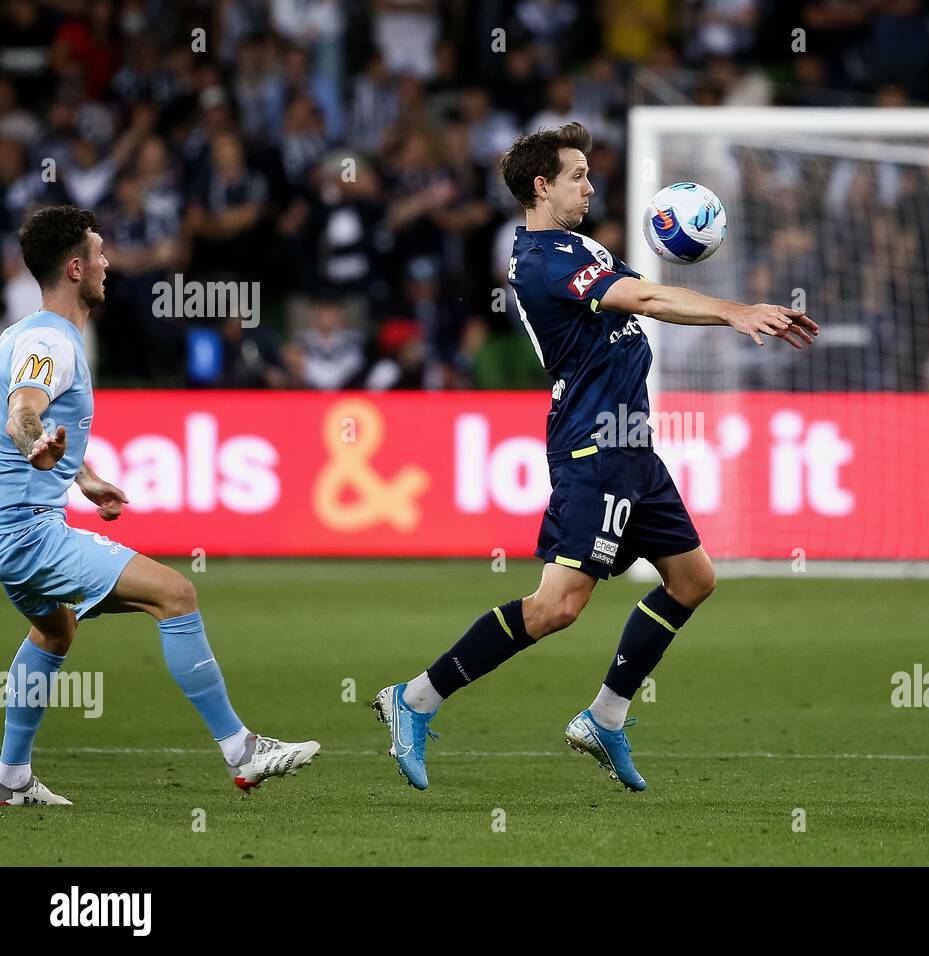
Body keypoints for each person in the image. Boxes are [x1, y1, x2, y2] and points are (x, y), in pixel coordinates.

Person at [372, 123, 817, 793]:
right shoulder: (540, 260)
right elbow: (644, 296)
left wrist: (736, 315)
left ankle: (605, 717)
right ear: (541, 186)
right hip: (593, 448)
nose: (591, 184)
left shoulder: (578, 245)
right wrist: (734, 310)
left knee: (693, 580)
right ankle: (414, 700)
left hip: (634, 447)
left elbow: (654, 307)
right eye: (578, 175)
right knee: (557, 607)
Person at [0, 205, 319, 806]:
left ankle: (10, 778)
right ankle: (240, 751)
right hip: (24, 532)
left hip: (15, 526)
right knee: (175, 593)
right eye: (98, 252)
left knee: (54, 630)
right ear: (74, 268)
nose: (108, 262)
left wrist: (83, 477)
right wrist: (37, 442)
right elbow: (22, 411)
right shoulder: (49, 342)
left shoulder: (20, 334)